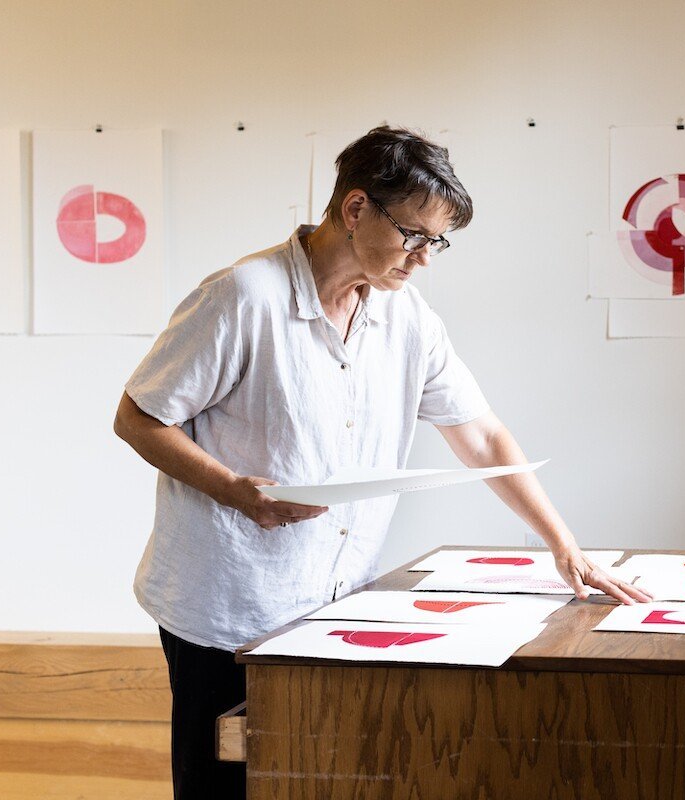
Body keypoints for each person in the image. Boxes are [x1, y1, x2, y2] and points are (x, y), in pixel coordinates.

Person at [113, 125, 651, 799]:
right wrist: (233, 489)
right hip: (225, 604)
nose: (425, 259)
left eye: (438, 242)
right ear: (356, 208)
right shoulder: (242, 297)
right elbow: (137, 416)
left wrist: (563, 545)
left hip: (331, 599)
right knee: (223, 786)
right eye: (415, 235)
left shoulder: (408, 319)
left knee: (311, 780)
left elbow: (480, 434)